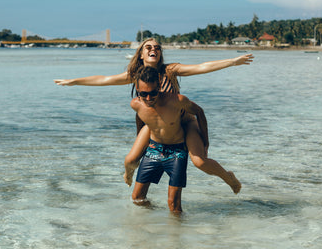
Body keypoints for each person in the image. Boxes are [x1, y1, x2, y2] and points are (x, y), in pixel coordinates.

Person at [54, 38, 253, 188]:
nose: (153, 49)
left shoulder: (171, 70)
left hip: (184, 122)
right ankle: (128, 175)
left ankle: (228, 177)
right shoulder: (135, 75)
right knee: (130, 161)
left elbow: (201, 67)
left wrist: (232, 62)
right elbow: (104, 79)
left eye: (157, 48)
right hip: (156, 125)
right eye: (148, 47)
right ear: (141, 54)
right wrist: (74, 81)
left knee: (200, 162)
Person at [130, 66, 240, 213]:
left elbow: (199, 112)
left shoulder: (177, 101)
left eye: (153, 93)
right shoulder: (136, 104)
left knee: (174, 206)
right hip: (154, 149)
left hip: (177, 151)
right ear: (137, 89)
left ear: (159, 87)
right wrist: (141, 142)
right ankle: (155, 223)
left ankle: (229, 178)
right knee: (138, 199)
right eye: (143, 94)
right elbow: (140, 118)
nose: (148, 98)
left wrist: (205, 142)